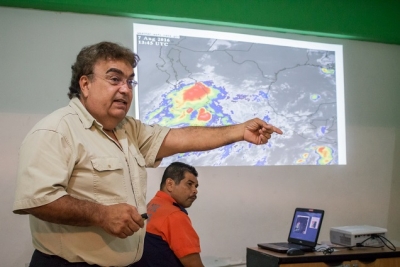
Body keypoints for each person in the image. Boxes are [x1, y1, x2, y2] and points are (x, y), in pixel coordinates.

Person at [12, 41, 282, 267]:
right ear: (85, 84)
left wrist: (239, 131)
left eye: (130, 81)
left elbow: (180, 138)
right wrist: (101, 215)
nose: (125, 89)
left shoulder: (127, 129)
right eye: (114, 79)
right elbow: (37, 200)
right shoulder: (56, 130)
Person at [134, 162, 204, 267]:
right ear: (170, 184)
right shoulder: (174, 216)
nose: (195, 191)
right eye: (189, 184)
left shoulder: (152, 205)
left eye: (196, 186)